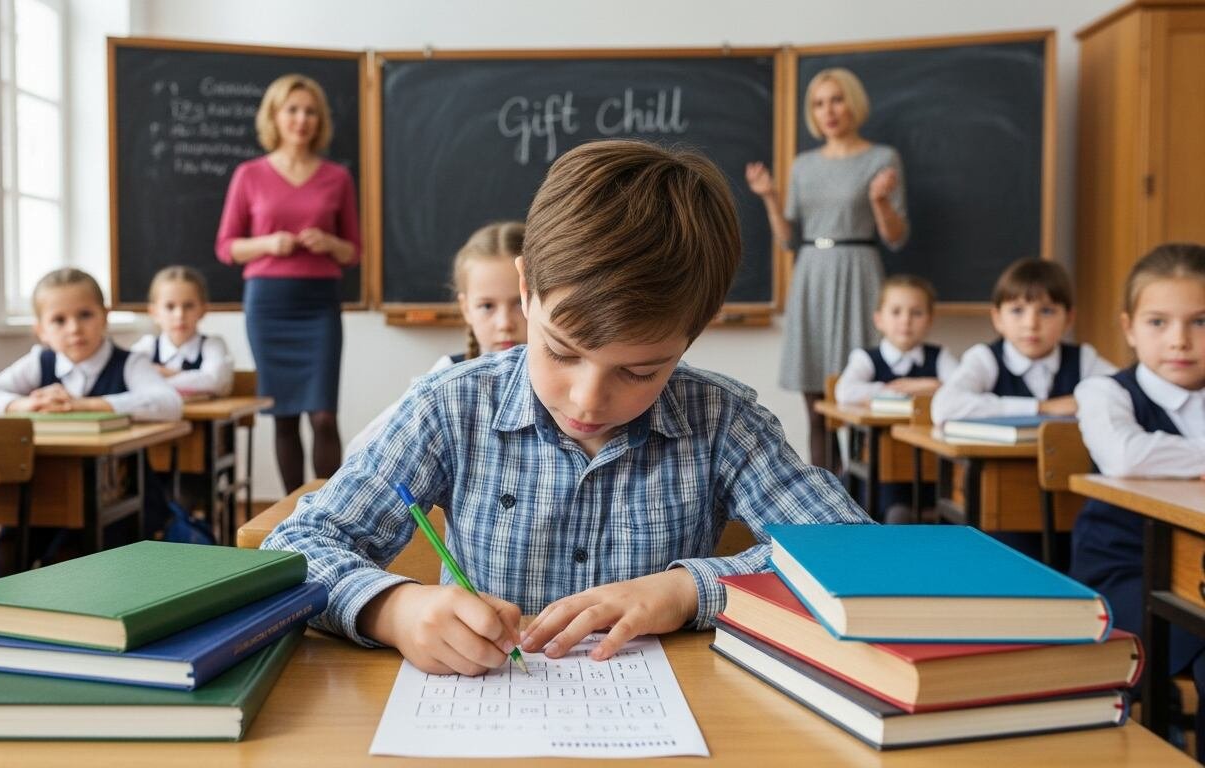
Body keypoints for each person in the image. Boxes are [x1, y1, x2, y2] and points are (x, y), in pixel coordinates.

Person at [263, 139, 870, 675]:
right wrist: (392, 609)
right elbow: (296, 549)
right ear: (526, 289)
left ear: (696, 330)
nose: (587, 399)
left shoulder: (724, 423)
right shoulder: (451, 406)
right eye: (561, 351)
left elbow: (852, 556)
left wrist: (689, 590)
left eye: (639, 371)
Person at [1070, 243, 1205, 761]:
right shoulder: (1105, 391)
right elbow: (1125, 455)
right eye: (1158, 322)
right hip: (1127, 569)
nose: (1179, 340)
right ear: (1128, 328)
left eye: (1199, 322)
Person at [746, 67, 907, 471]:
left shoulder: (882, 158)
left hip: (859, 271)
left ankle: (865, 499)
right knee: (817, 407)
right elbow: (787, 239)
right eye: (818, 104)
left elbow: (896, 237)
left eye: (836, 99)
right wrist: (769, 197)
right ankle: (825, 502)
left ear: (853, 102)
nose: (828, 111)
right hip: (813, 275)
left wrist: (880, 202)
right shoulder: (803, 165)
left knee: (861, 398)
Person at [0, 267, 180, 570]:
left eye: (85, 315)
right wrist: (25, 404)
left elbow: (169, 403)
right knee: (7, 551)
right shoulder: (39, 360)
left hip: (120, 497)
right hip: (46, 492)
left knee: (71, 557)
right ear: (41, 330)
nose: (74, 328)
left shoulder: (129, 363)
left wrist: (84, 404)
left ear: (105, 316)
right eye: (59, 320)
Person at [216, 73, 361, 493]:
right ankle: (290, 512)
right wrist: (267, 243)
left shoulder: (337, 177)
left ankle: (329, 511)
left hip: (319, 305)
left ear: (320, 121)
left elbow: (354, 251)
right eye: (292, 110)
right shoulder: (249, 175)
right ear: (275, 117)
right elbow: (226, 247)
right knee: (283, 415)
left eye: (310, 111)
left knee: (323, 415)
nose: (302, 119)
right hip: (268, 305)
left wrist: (330, 243)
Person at [345, 221, 525, 457]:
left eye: (520, 302)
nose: (504, 323)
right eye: (487, 306)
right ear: (466, 308)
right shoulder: (446, 375)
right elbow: (359, 450)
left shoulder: (568, 380)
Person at [931, 258, 1116, 425]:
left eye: (1046, 311)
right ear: (998, 319)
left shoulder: (1083, 359)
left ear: (1068, 319)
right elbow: (945, 407)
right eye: (1017, 310)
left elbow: (1125, 394)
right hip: (998, 462)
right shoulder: (985, 358)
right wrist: (1040, 407)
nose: (1031, 324)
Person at [834, 274, 957, 522]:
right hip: (878, 474)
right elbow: (845, 392)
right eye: (896, 312)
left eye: (916, 313)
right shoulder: (867, 358)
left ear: (930, 319)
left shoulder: (940, 356)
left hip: (932, 469)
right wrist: (895, 390)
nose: (906, 321)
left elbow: (961, 391)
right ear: (879, 319)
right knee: (897, 512)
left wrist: (928, 384)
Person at [131, 265, 234, 398]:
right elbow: (128, 378)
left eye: (188, 306)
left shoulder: (213, 345)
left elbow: (214, 381)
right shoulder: (147, 345)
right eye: (170, 307)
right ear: (154, 312)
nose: (179, 315)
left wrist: (165, 374)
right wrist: (195, 380)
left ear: (203, 309)